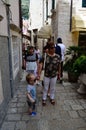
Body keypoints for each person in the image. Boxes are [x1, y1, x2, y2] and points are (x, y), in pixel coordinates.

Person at [38, 41, 61, 106]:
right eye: (52, 48)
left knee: (52, 88)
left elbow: (59, 66)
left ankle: (52, 98)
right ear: (48, 48)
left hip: (54, 75)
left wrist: (59, 73)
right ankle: (44, 98)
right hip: (46, 75)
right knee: (45, 87)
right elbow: (40, 65)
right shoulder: (45, 56)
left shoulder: (57, 56)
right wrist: (39, 74)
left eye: (54, 47)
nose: (53, 49)